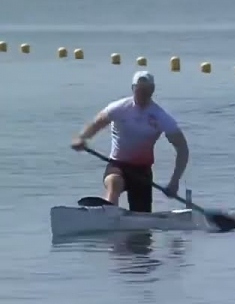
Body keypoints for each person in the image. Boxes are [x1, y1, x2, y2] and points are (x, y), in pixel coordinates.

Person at [70, 71, 189, 213]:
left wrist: (174, 181)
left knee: (141, 216)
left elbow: (182, 149)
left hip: (142, 172)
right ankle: (109, 212)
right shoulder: (119, 108)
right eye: (139, 89)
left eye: (146, 90)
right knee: (114, 183)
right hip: (118, 165)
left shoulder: (160, 117)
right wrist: (82, 138)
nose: (142, 93)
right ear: (133, 89)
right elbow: (96, 124)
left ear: (152, 90)